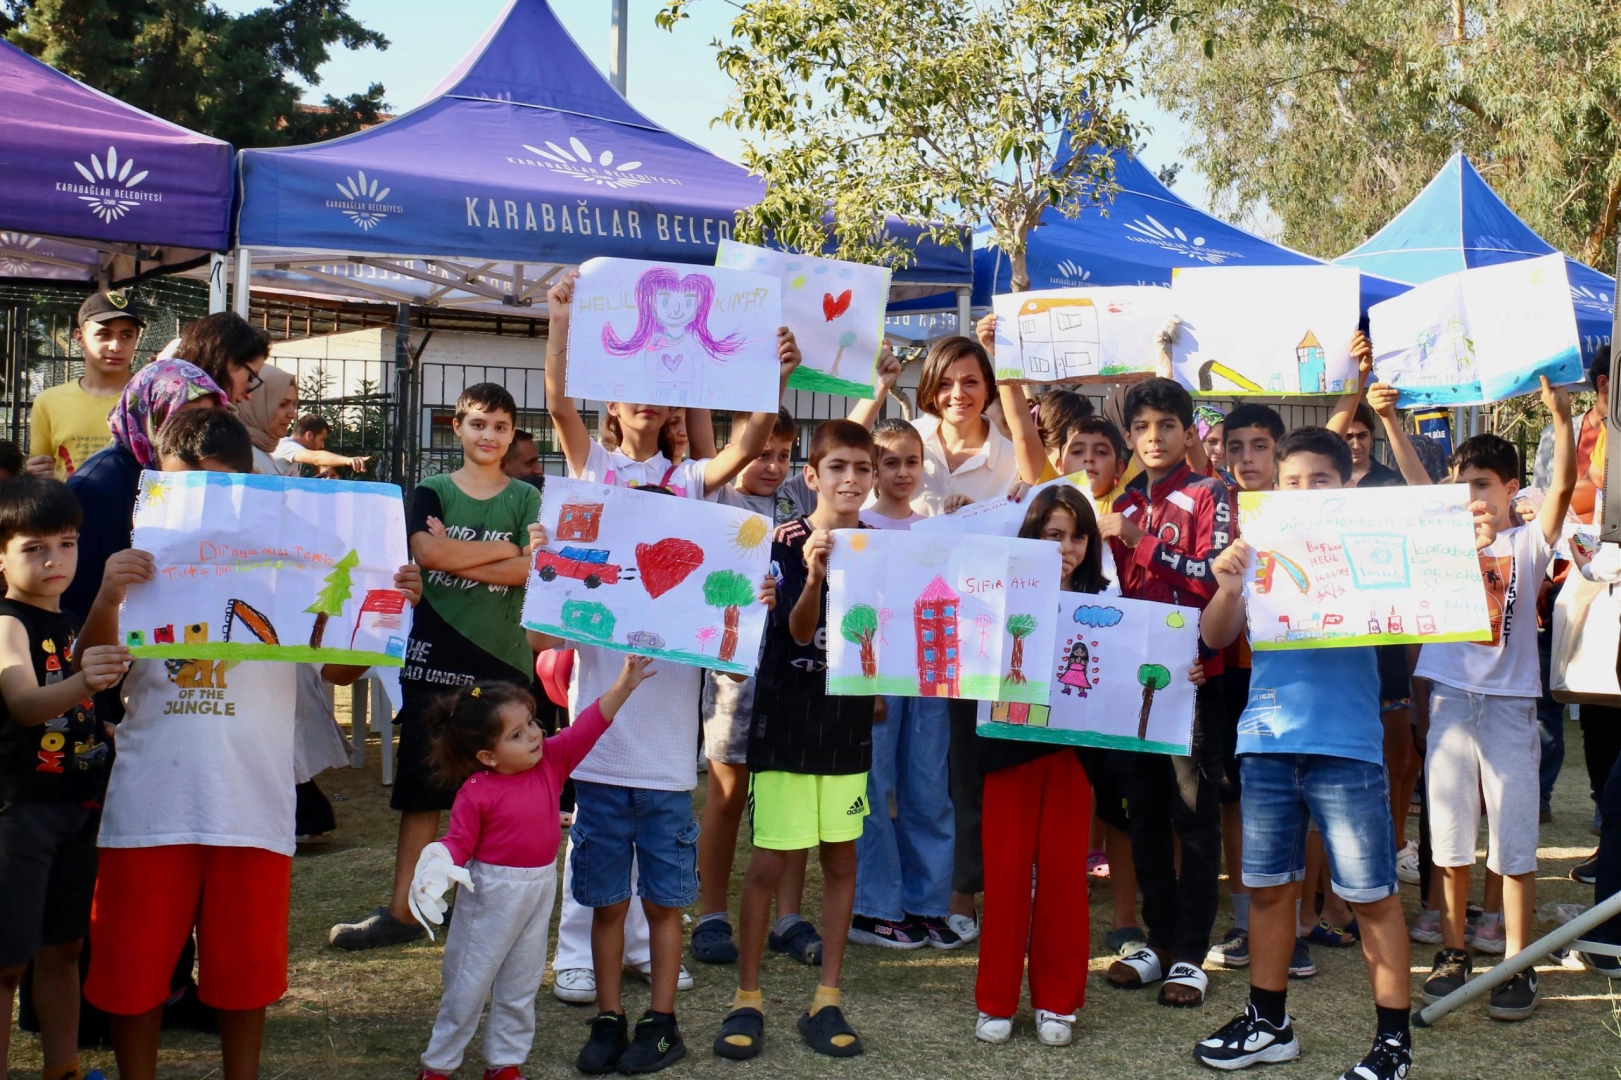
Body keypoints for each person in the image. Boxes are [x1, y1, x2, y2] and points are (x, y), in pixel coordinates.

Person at [84, 407, 421, 1080]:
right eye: (185, 494)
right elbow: (91, 662)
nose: (204, 513)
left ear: (249, 487)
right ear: (159, 486)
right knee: (132, 968)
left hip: (253, 806)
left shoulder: (289, 571)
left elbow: (340, 667)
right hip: (149, 806)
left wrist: (388, 604)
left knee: (245, 973)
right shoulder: (140, 562)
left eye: (218, 492)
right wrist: (106, 592)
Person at [540, 268, 797, 1059]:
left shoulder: (686, 480)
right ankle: (593, 981)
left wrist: (770, 376)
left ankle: (654, 994)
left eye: (658, 390)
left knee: (661, 854)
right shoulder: (594, 469)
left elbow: (749, 443)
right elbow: (554, 401)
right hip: (601, 696)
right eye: (628, 389)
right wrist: (559, 319)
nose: (645, 401)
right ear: (611, 402)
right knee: (599, 852)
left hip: (669, 702)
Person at [1192, 425, 1480, 1079]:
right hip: (1265, 740)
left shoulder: (1365, 551)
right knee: (1267, 891)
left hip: (1346, 747)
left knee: (1370, 895)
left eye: (1318, 480)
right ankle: (1268, 1022)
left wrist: (1469, 541)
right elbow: (1214, 636)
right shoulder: (1253, 549)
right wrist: (1230, 584)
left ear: (1344, 485)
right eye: (1290, 482)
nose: (1302, 493)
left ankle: (1391, 1043)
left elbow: (1437, 574)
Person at [975, 485, 1204, 1047]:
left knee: (1062, 879)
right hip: (1007, 753)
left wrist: (1182, 672)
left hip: (1077, 759)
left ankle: (1058, 1001)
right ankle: (996, 1000)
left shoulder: (1106, 597)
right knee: (1005, 877)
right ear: (1032, 536)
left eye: (1078, 535)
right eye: (1054, 535)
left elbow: (1136, 668)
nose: (1068, 547)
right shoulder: (997, 594)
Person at [330, 383, 541, 952]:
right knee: (423, 794)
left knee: (503, 792)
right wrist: (502, 554)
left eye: (500, 427)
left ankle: (496, 911)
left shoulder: (526, 496)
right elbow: (427, 555)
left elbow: (532, 571)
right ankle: (402, 910)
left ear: (512, 433)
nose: (489, 436)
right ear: (456, 427)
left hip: (502, 660)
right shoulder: (431, 489)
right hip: (433, 657)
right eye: (478, 424)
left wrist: (461, 557)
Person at [851, 330, 1044, 941]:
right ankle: (881, 903)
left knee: (942, 776)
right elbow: (844, 457)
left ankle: (937, 900)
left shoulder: (1011, 455)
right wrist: (878, 388)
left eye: (972, 381)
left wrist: (1019, 504)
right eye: (947, 381)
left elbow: (1043, 497)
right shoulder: (908, 439)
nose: (958, 393)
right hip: (889, 652)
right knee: (884, 779)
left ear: (988, 388)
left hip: (964, 644)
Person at [711, 419, 876, 1062]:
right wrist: (812, 577)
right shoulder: (782, 543)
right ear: (812, 477)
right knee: (770, 863)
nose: (852, 480)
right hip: (783, 724)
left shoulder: (884, 548)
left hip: (847, 730)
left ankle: (827, 995)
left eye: (862, 469)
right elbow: (801, 634)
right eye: (837, 468)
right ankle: (746, 997)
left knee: (841, 862)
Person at [408, 658, 654, 1080]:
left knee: (520, 985)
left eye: (534, 723)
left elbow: (589, 726)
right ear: (487, 755)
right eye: (517, 734)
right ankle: (439, 1065)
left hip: (538, 891)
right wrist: (438, 862)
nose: (536, 735)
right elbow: (459, 842)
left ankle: (504, 1062)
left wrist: (625, 685)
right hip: (490, 897)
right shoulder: (476, 792)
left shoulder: (551, 762)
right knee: (468, 985)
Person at [1413, 378, 1574, 1021]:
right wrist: (1391, 418)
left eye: (1482, 483)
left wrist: (1562, 421)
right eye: (1462, 483)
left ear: (1511, 490)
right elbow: (1413, 483)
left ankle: (1516, 961)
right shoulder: (1439, 538)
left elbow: (1561, 490)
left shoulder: (1530, 543)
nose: (1469, 495)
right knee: (1450, 841)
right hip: (1450, 700)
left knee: (1511, 845)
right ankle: (1454, 953)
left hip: (1509, 707)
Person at [1098, 376, 1231, 1008]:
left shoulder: (1211, 492)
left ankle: (1191, 953)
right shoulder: (1120, 498)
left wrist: (1136, 540)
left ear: (1187, 432)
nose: (1155, 437)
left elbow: (1214, 579)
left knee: (1194, 816)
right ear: (1130, 436)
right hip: (1130, 683)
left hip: (1192, 683)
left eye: (1168, 426)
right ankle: (1157, 941)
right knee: (1143, 812)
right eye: (1143, 428)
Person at [0, 477, 132, 1080]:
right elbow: (27, 703)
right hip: (20, 813)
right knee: (7, 961)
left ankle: (65, 1069)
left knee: (65, 950)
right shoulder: (6, 624)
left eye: (69, 543)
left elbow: (86, 712)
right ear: (1, 555)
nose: (55, 560)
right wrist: (85, 683)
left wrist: (105, 729)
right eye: (33, 548)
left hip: (78, 808)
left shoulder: (73, 618)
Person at [694, 408, 820, 967]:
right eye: (762, 453)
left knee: (788, 793)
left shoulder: (798, 500)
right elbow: (715, 434)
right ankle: (711, 914)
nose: (772, 465)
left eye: (783, 455)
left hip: (791, 669)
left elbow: (838, 456)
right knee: (725, 796)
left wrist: (883, 388)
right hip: (733, 671)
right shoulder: (719, 496)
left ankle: (788, 917)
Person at [849, 419, 957, 950]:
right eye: (889, 462)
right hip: (876, 676)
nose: (901, 472)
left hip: (932, 677)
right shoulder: (857, 526)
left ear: (923, 467)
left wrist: (963, 524)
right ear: (872, 469)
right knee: (874, 786)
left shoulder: (938, 528)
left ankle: (927, 903)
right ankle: (873, 906)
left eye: (911, 462)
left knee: (929, 787)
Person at [1203, 402, 1287, 973]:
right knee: (1233, 793)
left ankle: (1300, 922)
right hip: (1226, 665)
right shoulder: (1213, 503)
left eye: (1259, 446)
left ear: (1278, 450)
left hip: (1288, 668)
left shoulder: (1306, 505)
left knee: (1292, 795)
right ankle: (1242, 918)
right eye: (1236, 447)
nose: (1247, 458)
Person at [62, 360, 224, 624]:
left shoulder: (185, 475)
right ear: (151, 411)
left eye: (207, 418)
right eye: (182, 417)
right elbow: (78, 595)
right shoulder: (96, 487)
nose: (198, 432)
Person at [27, 291, 142, 479]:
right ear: (80, 338)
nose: (115, 346)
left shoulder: (150, 399)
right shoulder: (48, 401)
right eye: (104, 334)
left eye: (126, 335)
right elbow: (40, 473)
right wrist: (35, 476)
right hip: (68, 508)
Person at [171, 312, 269, 407]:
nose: (249, 396)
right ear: (224, 360)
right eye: (250, 378)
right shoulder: (199, 413)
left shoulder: (164, 391)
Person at [233, 366, 300, 477]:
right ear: (256, 404)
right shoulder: (237, 456)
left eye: (293, 404)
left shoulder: (260, 450)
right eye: (282, 404)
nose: (293, 414)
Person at [275, 414, 370, 476]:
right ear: (309, 435)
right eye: (321, 439)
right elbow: (316, 457)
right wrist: (348, 460)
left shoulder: (291, 449)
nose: (322, 445)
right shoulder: (287, 446)